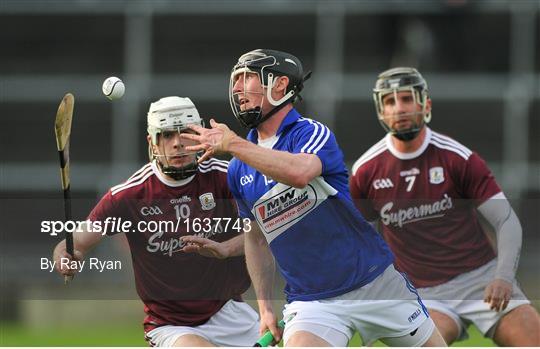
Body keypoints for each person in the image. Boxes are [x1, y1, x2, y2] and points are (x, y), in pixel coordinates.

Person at [180, 49, 446, 347]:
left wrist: (234, 144)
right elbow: (256, 238)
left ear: (280, 85)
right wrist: (265, 307)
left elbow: (299, 172)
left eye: (249, 78)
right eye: (236, 80)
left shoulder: (310, 133)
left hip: (375, 284)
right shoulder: (238, 167)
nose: (238, 88)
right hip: (313, 304)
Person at [349, 67, 540, 346]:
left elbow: (506, 220)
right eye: (390, 101)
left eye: (406, 99)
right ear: (381, 110)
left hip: (481, 280)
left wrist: (503, 276)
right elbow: (360, 242)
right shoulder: (366, 170)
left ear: (425, 103)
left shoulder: (457, 157)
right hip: (422, 292)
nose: (399, 109)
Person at [53, 96, 259, 347]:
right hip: (171, 325)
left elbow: (266, 232)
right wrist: (66, 255)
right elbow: (75, 243)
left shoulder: (226, 177)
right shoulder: (129, 195)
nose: (177, 144)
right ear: (152, 141)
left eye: (186, 133)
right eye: (167, 135)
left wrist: (226, 249)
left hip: (230, 311)